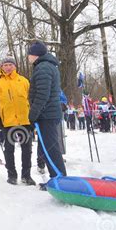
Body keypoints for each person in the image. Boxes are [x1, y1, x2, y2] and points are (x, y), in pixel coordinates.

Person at [0, 56, 36, 185]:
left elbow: (31, 99)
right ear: (1, 67)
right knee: (9, 149)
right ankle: (12, 175)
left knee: (27, 149)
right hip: (7, 122)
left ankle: (26, 175)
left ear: (15, 66)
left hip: (25, 120)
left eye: (10, 64)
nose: (8, 67)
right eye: (5, 65)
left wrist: (34, 116)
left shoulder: (24, 81)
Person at [27, 41, 67, 184]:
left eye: (30, 54)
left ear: (35, 55)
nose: (28, 57)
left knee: (51, 149)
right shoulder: (45, 66)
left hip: (47, 115)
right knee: (47, 148)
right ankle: (55, 178)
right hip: (47, 114)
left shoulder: (43, 68)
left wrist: (33, 114)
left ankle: (60, 180)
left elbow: (42, 95)